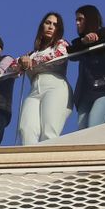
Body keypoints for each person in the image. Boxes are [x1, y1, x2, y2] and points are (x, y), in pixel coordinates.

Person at [15, 13, 71, 145]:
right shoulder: (32, 53)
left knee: (49, 130)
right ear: (42, 26)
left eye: (55, 25)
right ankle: (28, 162)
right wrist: (22, 60)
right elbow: (12, 66)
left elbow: (58, 56)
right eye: (48, 23)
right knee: (26, 128)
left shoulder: (61, 44)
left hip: (55, 87)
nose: (51, 26)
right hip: (34, 91)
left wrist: (30, 62)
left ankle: (48, 162)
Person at [67, 6, 105, 131]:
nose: (77, 23)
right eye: (76, 20)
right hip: (85, 92)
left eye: (80, 19)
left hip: (104, 88)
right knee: (82, 130)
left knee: (94, 125)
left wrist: (94, 39)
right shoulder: (78, 42)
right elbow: (70, 53)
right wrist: (84, 41)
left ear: (90, 19)